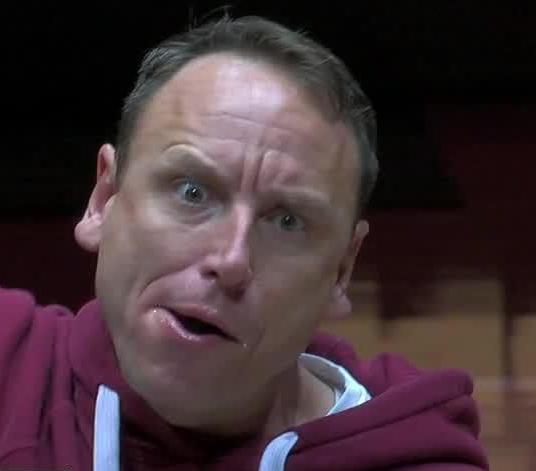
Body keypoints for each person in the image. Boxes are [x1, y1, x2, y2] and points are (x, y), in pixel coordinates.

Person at [0, 14, 488, 471]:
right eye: (192, 192)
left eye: (288, 222)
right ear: (104, 200)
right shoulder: (12, 363)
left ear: (341, 271)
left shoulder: (415, 456)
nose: (230, 260)